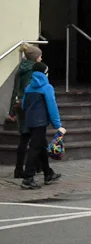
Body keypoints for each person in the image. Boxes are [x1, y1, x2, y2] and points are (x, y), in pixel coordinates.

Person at [20, 62, 65, 190]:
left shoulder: (29, 87)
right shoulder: (47, 87)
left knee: (41, 147)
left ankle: (48, 173)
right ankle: (28, 178)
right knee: (34, 148)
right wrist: (58, 125)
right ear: (45, 73)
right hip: (40, 122)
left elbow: (24, 105)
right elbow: (52, 106)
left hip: (30, 121)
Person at [9, 44, 41, 178]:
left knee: (25, 137)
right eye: (40, 56)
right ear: (34, 58)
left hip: (19, 106)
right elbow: (30, 90)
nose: (41, 58)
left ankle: (20, 168)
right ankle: (32, 168)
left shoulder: (20, 69)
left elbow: (15, 89)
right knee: (34, 138)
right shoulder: (32, 71)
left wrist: (12, 110)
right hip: (28, 107)